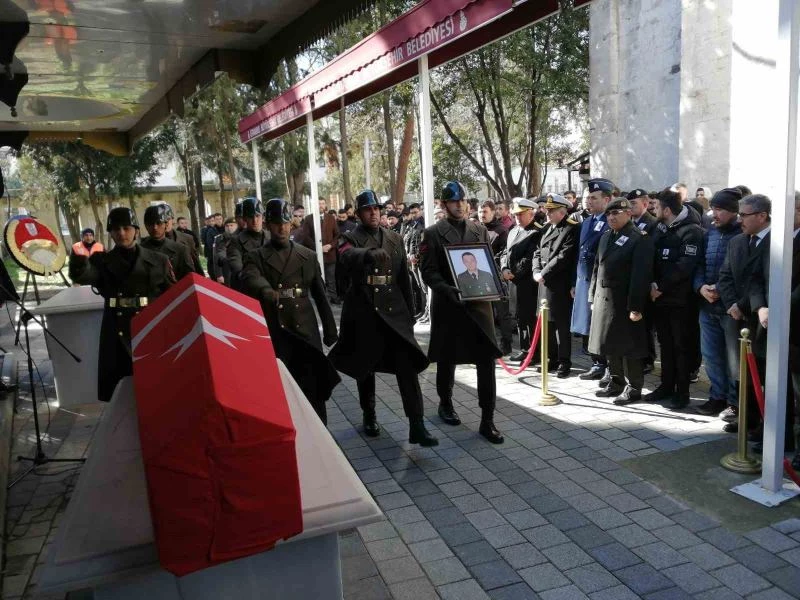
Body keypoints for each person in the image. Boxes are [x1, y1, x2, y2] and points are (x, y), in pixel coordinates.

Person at [331, 189, 437, 446]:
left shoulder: (394, 238)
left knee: (407, 365)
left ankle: (417, 424)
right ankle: (369, 414)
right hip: (364, 311)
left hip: (393, 311)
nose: (374, 213)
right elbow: (345, 255)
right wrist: (366, 254)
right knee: (365, 368)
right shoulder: (349, 237)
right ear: (358, 214)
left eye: (376, 209)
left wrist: (410, 315)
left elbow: (402, 278)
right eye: (368, 209)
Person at [240, 199, 340, 424]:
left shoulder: (307, 256)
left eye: (285, 222)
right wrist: (265, 289)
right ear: (267, 224)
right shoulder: (255, 256)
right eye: (276, 223)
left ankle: (321, 435)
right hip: (276, 331)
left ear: (292, 224)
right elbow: (250, 276)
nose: (281, 228)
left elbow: (320, 296)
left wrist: (330, 330)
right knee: (282, 390)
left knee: (313, 390)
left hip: (305, 330)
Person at [419, 181, 504, 444]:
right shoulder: (432, 233)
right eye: (453, 202)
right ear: (444, 205)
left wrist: (495, 282)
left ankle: (487, 419)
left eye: (462, 201)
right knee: (447, 358)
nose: (459, 205)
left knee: (486, 360)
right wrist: (445, 288)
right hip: (450, 305)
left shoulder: (479, 229)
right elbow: (428, 270)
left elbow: (487, 262)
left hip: (479, 304)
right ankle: (445, 403)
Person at [68, 207, 175, 402]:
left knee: (156, 387)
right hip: (116, 329)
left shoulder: (159, 260)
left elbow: (173, 296)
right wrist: (78, 262)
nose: (122, 233)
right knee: (122, 390)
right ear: (110, 232)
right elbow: (85, 275)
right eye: (116, 229)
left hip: (149, 326)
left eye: (126, 228)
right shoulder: (101, 261)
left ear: (136, 229)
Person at [588, 198, 654, 405]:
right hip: (604, 300)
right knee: (609, 344)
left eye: (616, 213)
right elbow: (597, 269)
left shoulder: (639, 238)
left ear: (628, 214)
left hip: (624, 302)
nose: (611, 217)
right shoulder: (606, 236)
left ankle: (634, 388)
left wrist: (635, 307)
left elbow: (640, 276)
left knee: (629, 347)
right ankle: (615, 382)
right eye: (609, 214)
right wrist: (592, 295)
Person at [646, 188, 704, 410]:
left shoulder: (692, 231)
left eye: (657, 207)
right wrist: (652, 284)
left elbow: (684, 266)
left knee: (681, 346)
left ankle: (682, 391)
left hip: (680, 301)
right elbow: (650, 256)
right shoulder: (659, 227)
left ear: (667, 210)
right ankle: (666, 386)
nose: (653, 209)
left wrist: (660, 286)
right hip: (659, 297)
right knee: (666, 345)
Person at [692, 188, 743, 417]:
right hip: (707, 304)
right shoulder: (709, 232)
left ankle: (735, 402)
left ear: (734, 212)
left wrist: (720, 290)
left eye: (720, 209)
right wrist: (701, 287)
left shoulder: (742, 234)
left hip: (730, 308)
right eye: (713, 208)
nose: (715, 214)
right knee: (711, 356)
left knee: (734, 360)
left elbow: (741, 272)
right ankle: (717, 397)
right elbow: (700, 264)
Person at [532, 193, 579, 378]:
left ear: (562, 211)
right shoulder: (546, 228)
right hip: (543, 284)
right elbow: (537, 252)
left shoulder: (571, 229)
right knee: (546, 325)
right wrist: (536, 271)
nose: (547, 213)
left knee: (561, 326)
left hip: (558, 285)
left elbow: (563, 257)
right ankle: (550, 358)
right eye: (547, 210)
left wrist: (543, 273)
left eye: (551, 211)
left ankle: (564, 362)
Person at [573, 179, 611, 381]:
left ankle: (606, 364)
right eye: (588, 198)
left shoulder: (610, 221)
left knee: (600, 324)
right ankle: (597, 362)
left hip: (600, 281)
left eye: (593, 198)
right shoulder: (587, 221)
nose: (589, 201)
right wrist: (574, 281)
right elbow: (579, 254)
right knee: (588, 324)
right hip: (584, 279)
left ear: (607, 199)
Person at [501, 198, 543, 362]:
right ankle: (525, 349)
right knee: (519, 317)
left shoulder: (536, 232)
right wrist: (504, 268)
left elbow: (531, 257)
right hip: (513, 281)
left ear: (531, 213)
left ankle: (535, 351)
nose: (517, 217)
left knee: (529, 317)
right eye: (515, 214)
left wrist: (514, 273)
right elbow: (506, 252)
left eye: (521, 214)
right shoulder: (513, 230)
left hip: (527, 282)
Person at [480, 199, 514, 354]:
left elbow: (504, 253)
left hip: (496, 276)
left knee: (502, 313)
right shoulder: (476, 229)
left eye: (485, 211)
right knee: (483, 312)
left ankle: (506, 343)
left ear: (493, 212)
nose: (482, 215)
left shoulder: (501, 230)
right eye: (480, 211)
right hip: (480, 277)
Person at [299, 198, 339, 304]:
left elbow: (337, 235)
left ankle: (333, 297)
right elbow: (305, 237)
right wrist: (317, 247)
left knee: (331, 278)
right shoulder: (308, 219)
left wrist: (330, 245)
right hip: (315, 255)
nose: (320, 205)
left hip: (330, 254)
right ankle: (320, 299)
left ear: (325, 205)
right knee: (316, 278)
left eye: (322, 203)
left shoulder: (331, 218)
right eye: (318, 203)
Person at [140, 204, 194, 281]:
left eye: (159, 223)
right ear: (145, 225)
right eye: (151, 224)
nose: (155, 228)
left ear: (166, 224)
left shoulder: (181, 249)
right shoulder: (139, 251)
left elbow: (190, 279)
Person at [227, 197, 269, 291]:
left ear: (263, 217)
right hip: (247, 291)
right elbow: (237, 269)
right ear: (245, 219)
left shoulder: (271, 237)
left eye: (257, 216)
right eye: (251, 217)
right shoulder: (236, 241)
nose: (255, 221)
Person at [163, 204, 204, 276]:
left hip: (185, 276)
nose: (166, 224)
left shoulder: (188, 237)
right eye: (162, 221)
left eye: (168, 220)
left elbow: (195, 260)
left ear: (172, 220)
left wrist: (201, 278)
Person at [213, 216, 239, 286]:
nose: (229, 227)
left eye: (231, 225)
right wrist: (219, 274)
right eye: (227, 226)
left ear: (237, 226)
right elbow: (216, 257)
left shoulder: (242, 237)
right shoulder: (219, 239)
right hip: (226, 272)